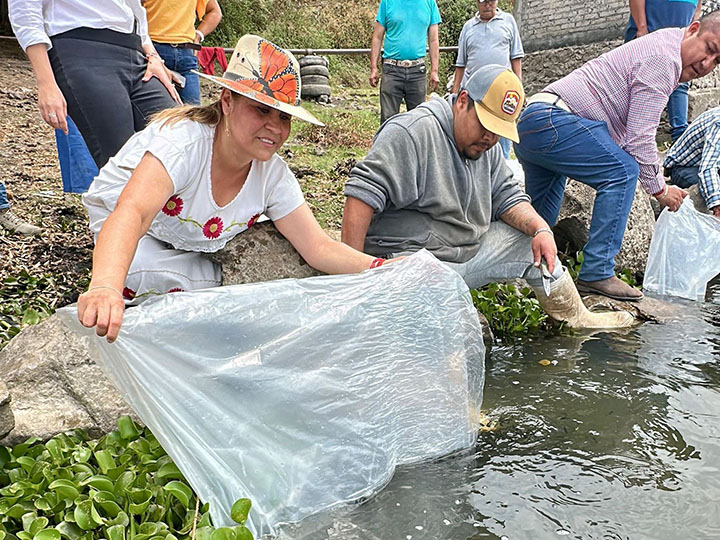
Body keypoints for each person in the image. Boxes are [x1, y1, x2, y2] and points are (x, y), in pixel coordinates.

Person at [78, 35, 393, 343]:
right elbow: (133, 213)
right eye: (261, 110)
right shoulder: (183, 144)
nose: (275, 126)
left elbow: (317, 247)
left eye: (284, 117)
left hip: (193, 240)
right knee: (143, 277)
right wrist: (105, 286)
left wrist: (382, 268)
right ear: (227, 101)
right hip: (134, 228)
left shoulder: (272, 174)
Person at [341, 65, 633, 330]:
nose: (490, 139)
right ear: (462, 101)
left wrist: (541, 229)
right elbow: (362, 194)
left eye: (498, 131)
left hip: (463, 253)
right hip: (408, 262)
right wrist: (353, 281)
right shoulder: (413, 132)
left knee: (532, 244)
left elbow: (507, 194)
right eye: (485, 126)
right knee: (444, 329)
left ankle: (577, 319)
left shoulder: (486, 146)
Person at [514, 13, 720, 302]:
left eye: (717, 61)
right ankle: (597, 271)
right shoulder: (665, 60)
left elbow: (626, 135)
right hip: (555, 121)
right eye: (709, 49)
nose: (707, 64)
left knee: (539, 222)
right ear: (693, 29)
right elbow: (639, 138)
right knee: (622, 172)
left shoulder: (664, 45)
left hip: (535, 121)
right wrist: (660, 190)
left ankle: (515, 274)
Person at [9, 0, 181, 169]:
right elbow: (26, 13)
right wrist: (46, 83)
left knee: (181, 136)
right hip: (79, 48)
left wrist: (153, 55)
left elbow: (134, 9)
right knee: (121, 160)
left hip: (135, 51)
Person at [451, 0, 523, 159]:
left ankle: (502, 163)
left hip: (500, 95)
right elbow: (461, 63)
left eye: (491, 1)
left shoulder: (508, 21)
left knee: (499, 140)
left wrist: (519, 88)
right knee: (472, 139)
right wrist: (454, 92)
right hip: (475, 96)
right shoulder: (468, 27)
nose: (487, 5)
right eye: (483, 1)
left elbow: (516, 57)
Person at [625, 0, 702, 142]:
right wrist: (642, 28)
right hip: (650, 29)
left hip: (681, 35)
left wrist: (692, 32)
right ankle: (631, 137)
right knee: (639, 81)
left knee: (680, 82)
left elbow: (697, 8)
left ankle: (680, 137)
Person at [369, 0, 442, 124]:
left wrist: (434, 70)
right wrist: (373, 68)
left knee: (418, 121)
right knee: (388, 121)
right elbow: (377, 37)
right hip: (391, 70)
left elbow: (434, 40)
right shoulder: (387, 2)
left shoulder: (429, 2)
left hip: (417, 71)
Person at [144, 0, 222, 104]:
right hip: (153, 53)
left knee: (193, 112)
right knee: (157, 110)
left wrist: (198, 35)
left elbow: (215, 12)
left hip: (186, 56)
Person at [663, 106, 720, 217]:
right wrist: (717, 204)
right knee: (714, 189)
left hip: (706, 163)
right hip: (683, 168)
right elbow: (708, 169)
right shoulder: (718, 124)